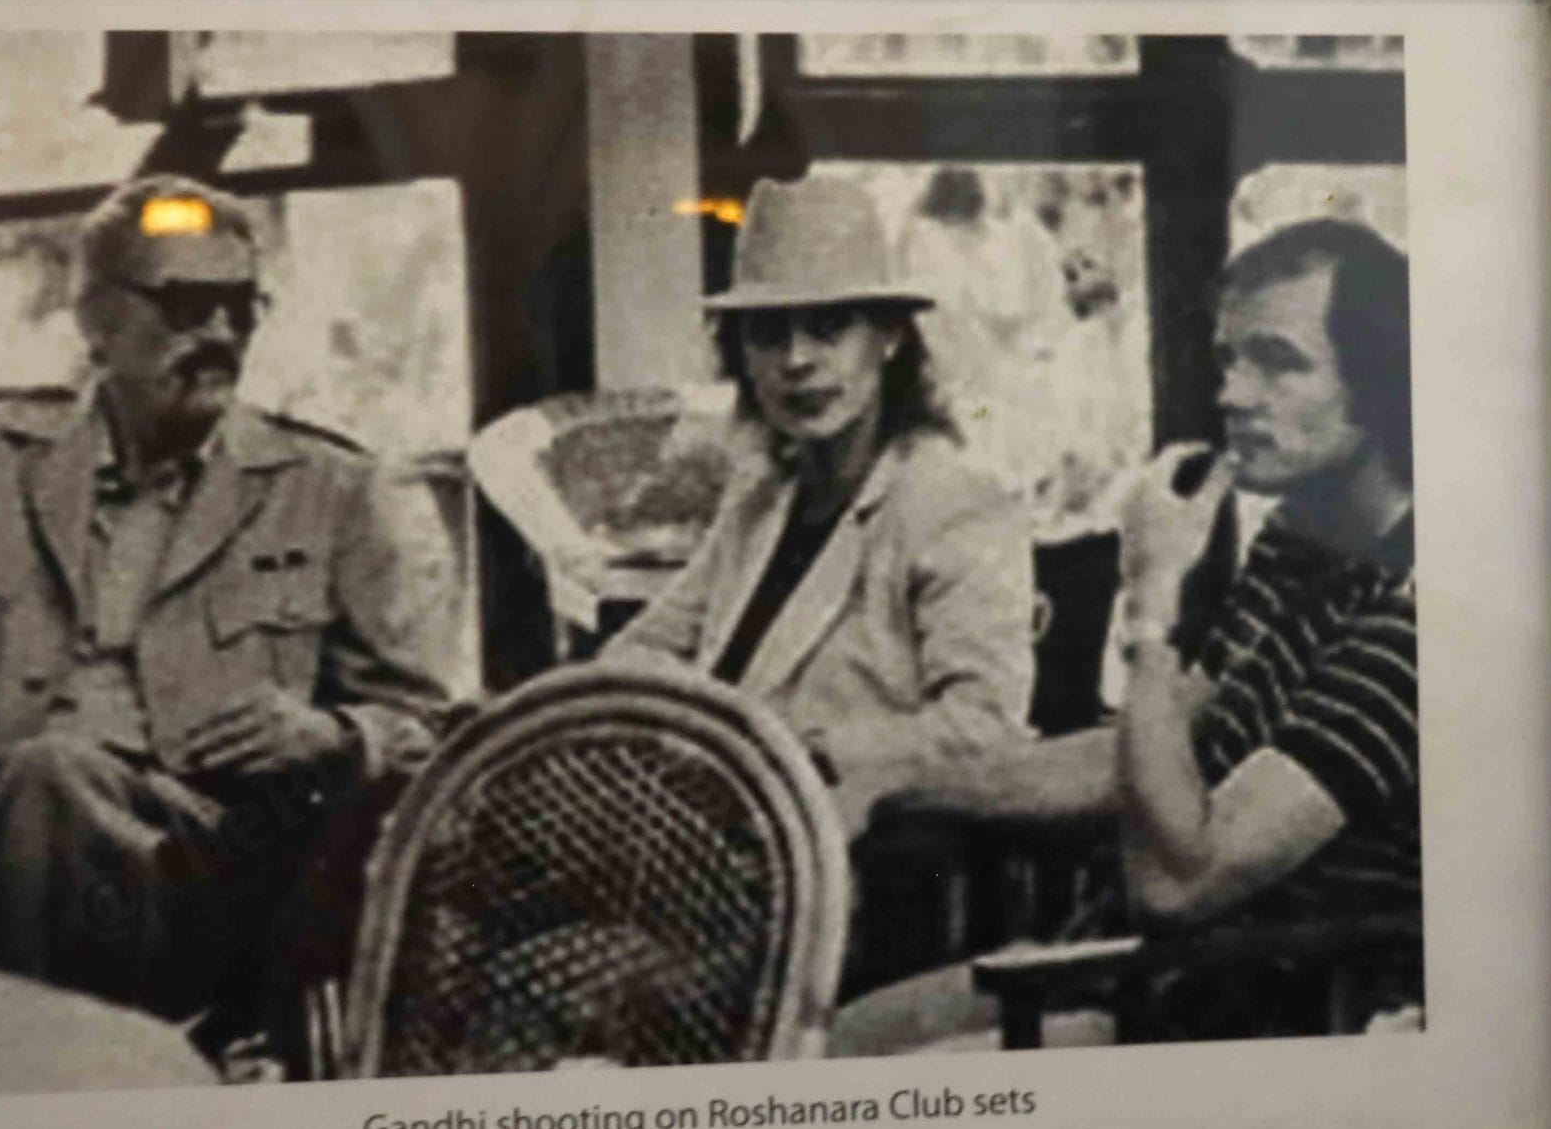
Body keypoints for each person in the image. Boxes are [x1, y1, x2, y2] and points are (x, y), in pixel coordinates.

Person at [832, 216, 1420, 1051]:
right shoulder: (1298, 543)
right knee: (827, 1039)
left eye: (1278, 362)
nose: (1232, 395)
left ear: (1384, 380)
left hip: (1251, 1023)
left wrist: (1150, 601)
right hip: (1127, 972)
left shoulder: (1413, 606)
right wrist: (889, 786)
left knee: (868, 1091)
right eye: (1228, 358)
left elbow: (1179, 882)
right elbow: (1144, 756)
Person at [0, 172, 452, 1062]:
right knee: (35, 784)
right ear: (96, 322)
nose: (219, 334)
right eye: (186, 305)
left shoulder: (330, 489)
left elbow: (430, 725)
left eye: (240, 308)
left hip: (220, 875)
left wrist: (332, 733)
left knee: (52, 776)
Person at [603, 177, 1038, 976]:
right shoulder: (764, 495)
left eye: (828, 328)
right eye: (768, 333)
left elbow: (987, 723)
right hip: (712, 856)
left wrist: (804, 746)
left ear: (891, 338)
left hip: (848, 885)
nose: (796, 360)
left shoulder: (948, 500)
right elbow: (642, 652)